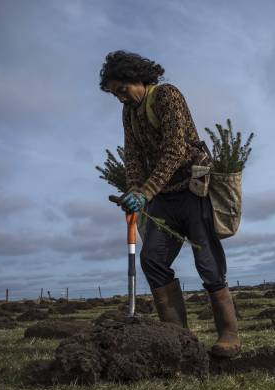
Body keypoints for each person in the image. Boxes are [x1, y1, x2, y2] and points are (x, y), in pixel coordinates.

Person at [99, 50, 240, 358]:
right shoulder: (129, 112)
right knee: (151, 258)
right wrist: (134, 191)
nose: (120, 98)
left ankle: (229, 334)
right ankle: (180, 340)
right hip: (162, 198)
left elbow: (175, 150)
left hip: (192, 191)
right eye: (115, 94)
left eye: (122, 89)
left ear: (137, 77)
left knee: (208, 264)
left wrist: (145, 191)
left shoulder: (167, 96)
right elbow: (133, 155)